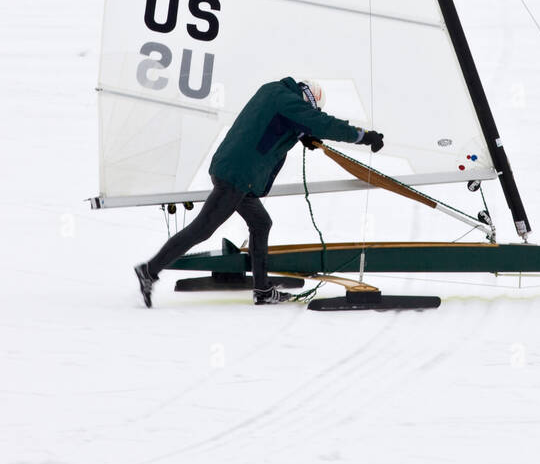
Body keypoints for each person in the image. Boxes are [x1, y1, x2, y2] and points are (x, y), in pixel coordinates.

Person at [134, 77, 383, 307]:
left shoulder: (274, 91)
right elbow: (322, 123)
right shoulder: (288, 101)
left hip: (234, 170)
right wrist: (362, 136)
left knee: (261, 223)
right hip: (238, 176)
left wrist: (302, 133)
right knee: (203, 228)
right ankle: (150, 270)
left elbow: (275, 125)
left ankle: (262, 291)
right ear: (309, 97)